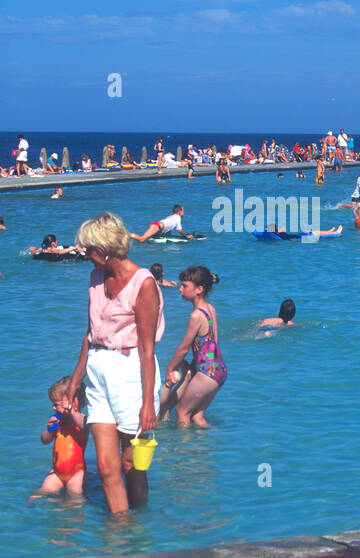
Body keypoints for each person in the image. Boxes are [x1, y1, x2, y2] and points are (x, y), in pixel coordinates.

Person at [67, 213, 164, 513]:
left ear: (107, 249)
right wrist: (75, 379)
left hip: (131, 372)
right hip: (97, 370)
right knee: (107, 468)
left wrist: (148, 402)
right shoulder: (96, 277)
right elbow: (90, 332)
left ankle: (140, 528)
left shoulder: (143, 283)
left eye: (90, 250)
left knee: (130, 463)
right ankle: (120, 538)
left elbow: (147, 349)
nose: (85, 255)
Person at [159, 265, 226, 426]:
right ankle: (212, 447)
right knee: (197, 417)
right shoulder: (210, 309)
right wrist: (193, 367)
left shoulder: (196, 315)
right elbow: (213, 344)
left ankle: (185, 449)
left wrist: (170, 369)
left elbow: (184, 347)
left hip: (207, 372)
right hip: (218, 369)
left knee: (182, 413)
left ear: (199, 289)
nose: (180, 289)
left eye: (185, 286)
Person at [32, 376, 89, 497]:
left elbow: (85, 427)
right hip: (57, 472)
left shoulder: (81, 420)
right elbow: (45, 440)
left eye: (56, 404)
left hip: (76, 473)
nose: (53, 407)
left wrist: (71, 411)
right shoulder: (57, 421)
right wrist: (49, 430)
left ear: (74, 402)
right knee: (40, 493)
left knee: (75, 498)